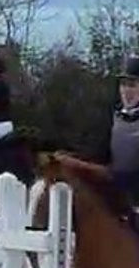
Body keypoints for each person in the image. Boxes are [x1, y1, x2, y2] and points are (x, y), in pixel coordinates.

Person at [49, 54, 139, 230]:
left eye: (132, 85)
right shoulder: (113, 119)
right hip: (116, 198)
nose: (126, 91)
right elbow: (98, 156)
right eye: (123, 85)